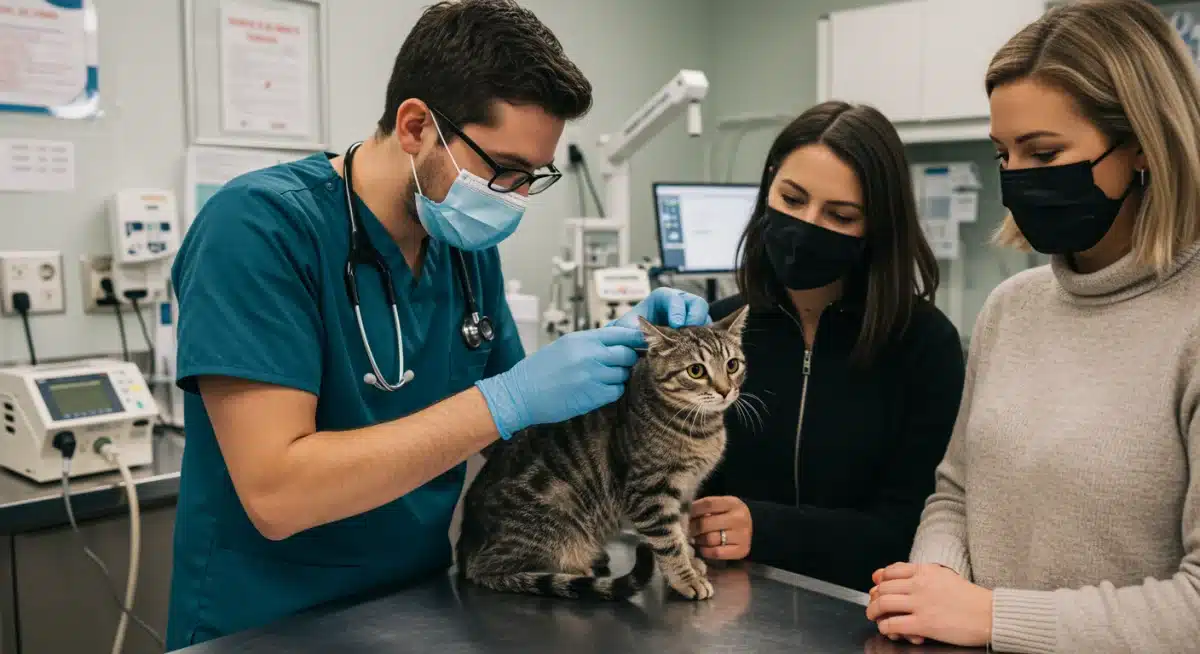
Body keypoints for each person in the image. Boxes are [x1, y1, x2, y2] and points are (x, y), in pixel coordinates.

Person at [164, 1, 709, 648]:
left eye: (530, 177)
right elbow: (278, 494)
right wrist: (503, 399)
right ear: (417, 125)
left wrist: (643, 359)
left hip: (420, 610)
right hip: (265, 624)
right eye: (501, 168)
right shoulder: (258, 229)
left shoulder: (464, 249)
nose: (511, 197)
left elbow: (523, 442)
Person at [866, 1, 1200, 651]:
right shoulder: (1011, 308)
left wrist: (992, 616)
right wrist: (935, 582)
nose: (1016, 178)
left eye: (1043, 153)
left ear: (1140, 145)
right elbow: (957, 495)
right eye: (1004, 154)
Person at [690, 101, 966, 592]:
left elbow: (909, 529)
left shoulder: (925, 345)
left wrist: (767, 528)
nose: (806, 226)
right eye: (792, 200)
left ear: (877, 226)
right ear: (767, 187)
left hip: (863, 613)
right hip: (726, 606)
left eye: (839, 215)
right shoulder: (719, 332)